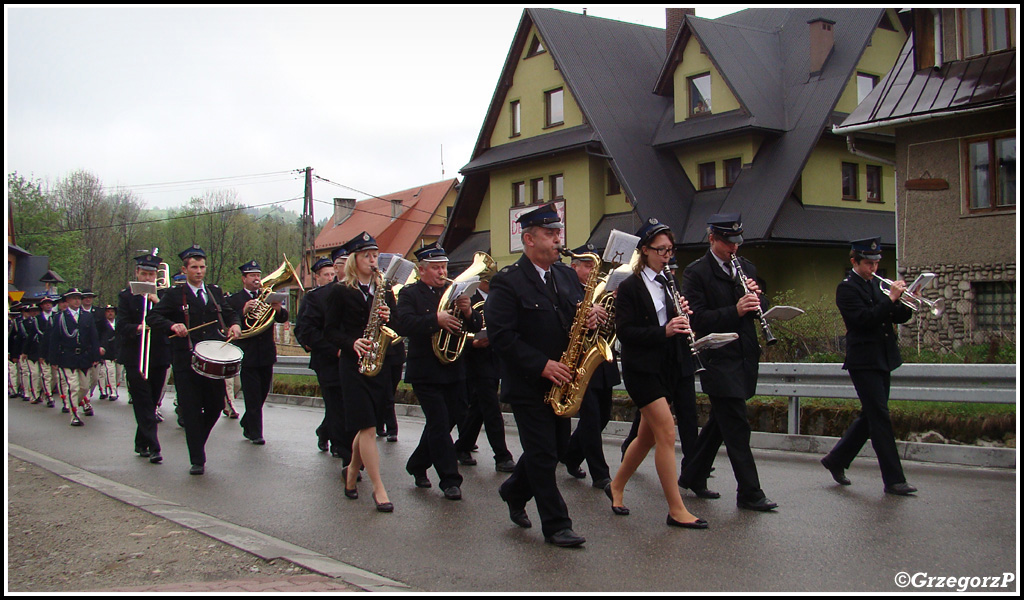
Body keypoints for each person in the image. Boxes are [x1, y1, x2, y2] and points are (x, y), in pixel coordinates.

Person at [486, 202, 605, 547]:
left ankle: (513, 491)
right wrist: (541, 364)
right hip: (528, 383)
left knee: (553, 450)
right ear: (528, 239)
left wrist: (589, 318)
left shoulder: (567, 275)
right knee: (541, 453)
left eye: (558, 233)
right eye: (550, 234)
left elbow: (573, 320)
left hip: (564, 379)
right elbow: (501, 336)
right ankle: (557, 525)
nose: (558, 240)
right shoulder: (506, 282)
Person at [605, 220, 706, 528]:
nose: (666, 256)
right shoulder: (630, 287)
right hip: (642, 370)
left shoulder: (668, 282)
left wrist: (683, 316)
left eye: (670, 250)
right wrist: (664, 330)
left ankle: (616, 485)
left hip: (669, 367)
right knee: (666, 432)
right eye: (661, 250)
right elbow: (627, 332)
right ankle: (676, 509)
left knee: (646, 437)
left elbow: (674, 326)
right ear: (645, 251)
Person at [679, 213, 778, 512]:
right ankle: (750, 492)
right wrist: (735, 309)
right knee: (737, 426)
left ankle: (692, 475)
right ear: (712, 238)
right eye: (726, 243)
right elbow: (697, 318)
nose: (733, 249)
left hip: (745, 356)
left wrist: (758, 299)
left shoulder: (745, 266)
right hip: (718, 358)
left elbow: (760, 306)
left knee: (720, 423)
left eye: (736, 242)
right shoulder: (696, 273)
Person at [820, 237, 917, 496]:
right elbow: (864, 320)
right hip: (863, 361)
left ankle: (836, 459)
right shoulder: (847, 288)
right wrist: (890, 299)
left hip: (883, 358)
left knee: (871, 416)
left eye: (876, 263)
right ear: (854, 261)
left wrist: (907, 302)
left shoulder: (875, 285)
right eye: (867, 263)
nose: (873, 268)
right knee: (880, 417)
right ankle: (894, 480)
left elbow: (895, 316)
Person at [391, 242, 480, 501]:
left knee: (449, 420)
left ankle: (418, 464)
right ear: (422, 271)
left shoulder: (456, 292)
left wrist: (467, 310)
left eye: (444, 267)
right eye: (436, 268)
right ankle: (450, 480)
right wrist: (435, 320)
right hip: (426, 370)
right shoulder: (410, 293)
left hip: (454, 367)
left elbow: (474, 325)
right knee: (440, 424)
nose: (442, 272)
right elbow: (403, 324)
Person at [148, 245, 241, 475]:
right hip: (186, 362)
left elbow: (229, 312)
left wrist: (235, 324)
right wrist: (172, 325)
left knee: (215, 407)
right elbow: (153, 316)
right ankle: (197, 459)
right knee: (190, 411)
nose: (199, 271)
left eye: (202, 267)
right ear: (185, 269)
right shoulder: (173, 295)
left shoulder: (214, 292)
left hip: (213, 361)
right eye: (194, 267)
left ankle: (197, 441)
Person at [324, 232, 395, 512]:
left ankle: (352, 472)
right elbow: (329, 330)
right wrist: (350, 342)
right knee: (366, 426)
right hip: (353, 366)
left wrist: (391, 316)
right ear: (354, 260)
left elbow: (397, 323)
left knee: (369, 426)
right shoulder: (340, 291)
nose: (372, 260)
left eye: (375, 255)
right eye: (367, 255)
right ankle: (379, 488)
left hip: (378, 363)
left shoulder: (383, 288)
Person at [560, 244, 620, 490]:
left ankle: (571, 455)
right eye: (586, 266)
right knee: (592, 419)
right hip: (578, 361)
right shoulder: (566, 289)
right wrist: (584, 309)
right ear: (573, 267)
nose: (592, 271)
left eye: (593, 266)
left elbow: (613, 326)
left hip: (601, 359)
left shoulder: (600, 290)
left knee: (603, 416)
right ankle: (600, 474)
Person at [452, 278, 516, 473]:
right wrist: (472, 343)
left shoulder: (499, 297)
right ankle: (502, 455)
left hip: (496, 356)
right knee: (490, 407)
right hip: (476, 360)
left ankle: (462, 447)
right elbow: (458, 329)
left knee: (478, 408)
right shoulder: (468, 298)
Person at [296, 252, 353, 462]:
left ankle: (327, 432)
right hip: (329, 362)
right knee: (337, 407)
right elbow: (306, 330)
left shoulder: (363, 293)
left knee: (348, 408)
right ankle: (344, 453)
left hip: (355, 361)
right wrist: (336, 349)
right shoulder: (317, 297)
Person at [117, 252, 172, 464]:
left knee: (152, 400)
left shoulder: (165, 296)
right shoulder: (126, 296)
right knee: (142, 401)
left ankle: (141, 442)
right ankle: (154, 446)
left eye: (152, 274)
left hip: (158, 354)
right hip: (135, 355)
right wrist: (138, 328)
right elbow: (121, 326)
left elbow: (171, 321)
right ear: (137, 273)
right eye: (144, 274)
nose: (148, 279)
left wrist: (156, 300)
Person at [228, 260, 290, 445]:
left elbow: (282, 318)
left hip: (266, 352)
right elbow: (229, 319)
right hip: (248, 353)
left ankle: (248, 421)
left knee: (262, 393)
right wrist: (243, 310)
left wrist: (278, 309)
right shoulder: (235, 299)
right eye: (252, 276)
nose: (256, 279)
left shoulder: (267, 295)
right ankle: (256, 433)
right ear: (244, 279)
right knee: (253, 395)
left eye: (258, 275)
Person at [48, 288, 101, 426]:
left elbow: (93, 337)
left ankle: (74, 403)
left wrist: (95, 355)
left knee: (84, 387)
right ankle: (74, 414)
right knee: (73, 387)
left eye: (79, 298)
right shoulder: (60, 317)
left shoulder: (87, 316)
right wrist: (53, 359)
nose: (77, 301)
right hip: (68, 356)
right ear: (67, 301)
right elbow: (54, 339)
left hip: (84, 356)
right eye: (73, 298)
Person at [35, 295, 59, 407]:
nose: (48, 305)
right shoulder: (38, 319)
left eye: (49, 303)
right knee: (46, 375)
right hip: (43, 348)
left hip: (54, 350)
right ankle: (49, 396)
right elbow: (40, 335)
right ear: (42, 306)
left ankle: (46, 390)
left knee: (55, 376)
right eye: (45, 303)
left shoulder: (56, 316)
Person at [96, 305, 120, 400]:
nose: (110, 313)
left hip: (118, 351)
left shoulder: (119, 324)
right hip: (107, 352)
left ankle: (114, 388)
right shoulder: (101, 325)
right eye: (108, 311)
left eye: (112, 311)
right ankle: (110, 391)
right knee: (109, 372)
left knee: (118, 373)